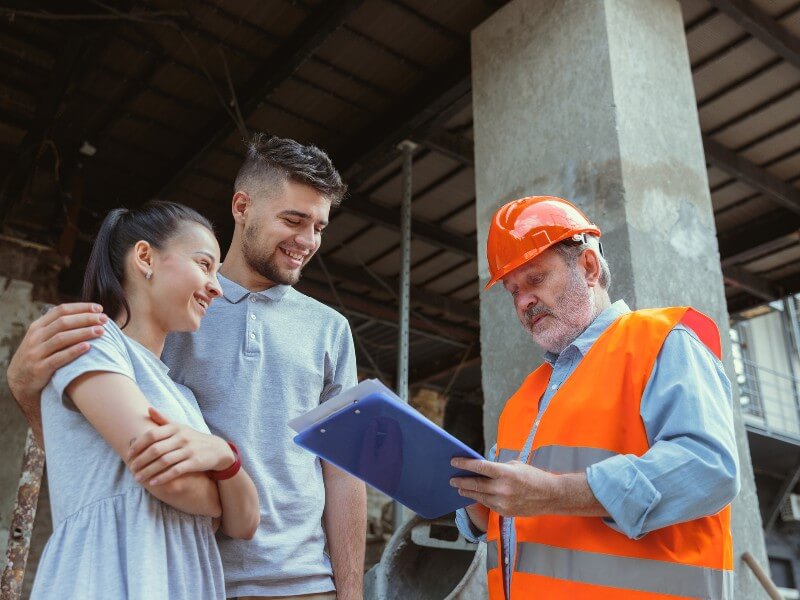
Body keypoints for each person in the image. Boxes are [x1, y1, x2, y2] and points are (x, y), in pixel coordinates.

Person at [8, 134, 366, 600]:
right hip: (189, 577)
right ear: (242, 207)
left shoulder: (330, 329)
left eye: (319, 226)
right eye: (293, 220)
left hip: (303, 584)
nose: (307, 240)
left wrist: (351, 592)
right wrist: (22, 386)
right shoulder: (170, 310)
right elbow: (94, 448)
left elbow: (344, 470)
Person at [449, 196, 740, 599]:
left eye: (535, 279)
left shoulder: (662, 342)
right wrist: (476, 499)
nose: (523, 303)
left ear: (587, 267)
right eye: (512, 292)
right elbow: (519, 520)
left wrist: (556, 493)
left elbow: (709, 469)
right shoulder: (525, 400)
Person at [30, 201, 260, 599]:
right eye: (204, 265)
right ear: (144, 257)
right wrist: (225, 490)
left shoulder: (183, 396)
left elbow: (247, 523)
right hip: (103, 579)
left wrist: (223, 457)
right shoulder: (93, 341)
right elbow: (162, 476)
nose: (218, 288)